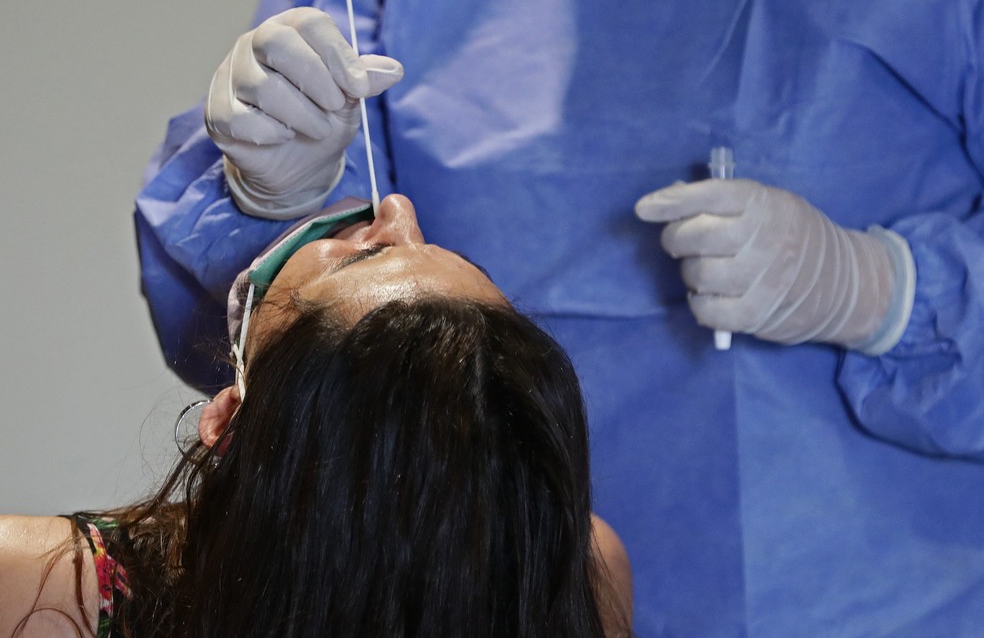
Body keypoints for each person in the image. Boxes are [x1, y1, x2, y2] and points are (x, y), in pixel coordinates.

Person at [135, 0, 984, 633]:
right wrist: (274, 198)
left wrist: (892, 297)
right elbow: (302, 374)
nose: (395, 212)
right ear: (224, 421)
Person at [0, 195, 633, 637]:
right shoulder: (578, 568)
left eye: (361, 257)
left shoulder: (38, 590)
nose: (399, 210)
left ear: (228, 421)